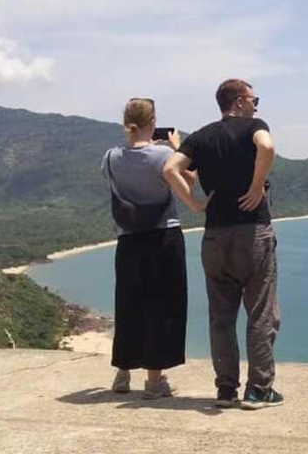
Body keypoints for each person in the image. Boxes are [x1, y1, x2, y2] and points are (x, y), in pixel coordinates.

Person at [163, 79, 282, 410]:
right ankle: (259, 389)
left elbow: (171, 169)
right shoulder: (254, 127)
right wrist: (257, 186)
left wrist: (196, 205)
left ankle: (226, 390)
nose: (257, 105)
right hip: (252, 232)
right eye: (254, 98)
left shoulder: (201, 137)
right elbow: (267, 147)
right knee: (260, 313)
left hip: (215, 236)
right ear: (240, 101)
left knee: (221, 316)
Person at [102, 97, 192, 399]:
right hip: (162, 237)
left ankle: (123, 373)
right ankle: (154, 381)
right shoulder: (164, 154)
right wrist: (178, 148)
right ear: (153, 122)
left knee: (128, 304)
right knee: (163, 305)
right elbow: (187, 175)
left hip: (128, 238)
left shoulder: (110, 157)